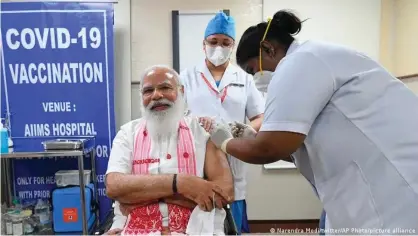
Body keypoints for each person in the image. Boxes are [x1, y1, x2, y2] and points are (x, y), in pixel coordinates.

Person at [208, 9, 418, 231]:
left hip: (394, 195)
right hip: (373, 188)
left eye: (253, 70)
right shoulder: (315, 57)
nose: (256, 79)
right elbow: (305, 146)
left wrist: (225, 142)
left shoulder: (299, 62)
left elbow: (269, 149)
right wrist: (252, 138)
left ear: (268, 49)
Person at [105, 65, 234, 235]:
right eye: (148, 91)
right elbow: (114, 186)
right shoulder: (127, 133)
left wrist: (139, 196)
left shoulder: (202, 131)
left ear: (181, 91)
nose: (156, 95)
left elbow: (224, 192)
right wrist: (182, 184)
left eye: (165, 87)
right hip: (136, 229)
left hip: (195, 229)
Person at [179, 12, 265, 234]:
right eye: (213, 42)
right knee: (198, 220)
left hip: (234, 156)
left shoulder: (244, 78)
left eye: (225, 43)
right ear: (204, 44)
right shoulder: (186, 77)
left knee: (232, 220)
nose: (219, 47)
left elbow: (260, 116)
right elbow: (176, 117)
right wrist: (195, 123)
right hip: (196, 158)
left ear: (233, 45)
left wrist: (243, 130)